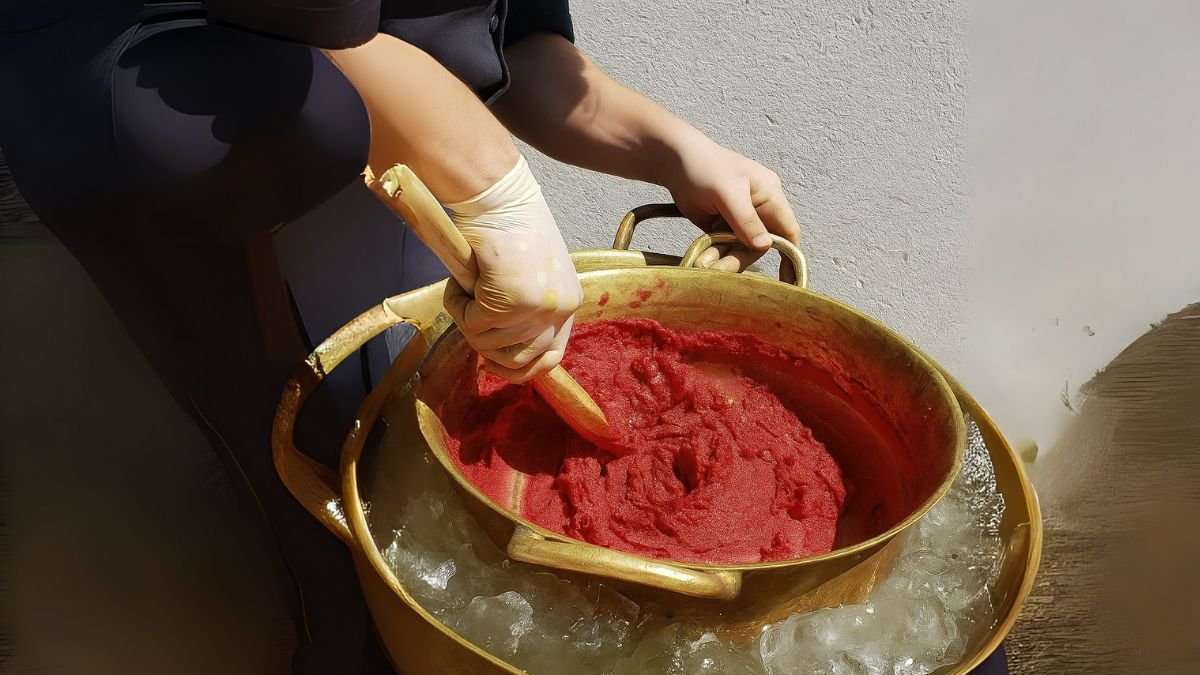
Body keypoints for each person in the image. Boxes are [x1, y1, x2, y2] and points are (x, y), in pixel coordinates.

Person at [0, 1, 799, 672]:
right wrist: (497, 190)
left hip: (378, 138)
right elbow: (310, 28)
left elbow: (510, 46)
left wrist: (679, 151)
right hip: (184, 116)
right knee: (310, 470)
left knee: (396, 425)